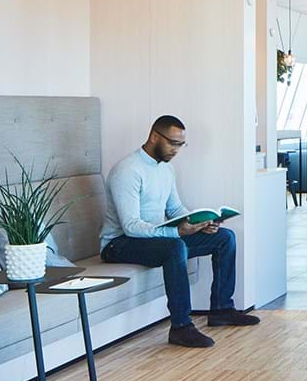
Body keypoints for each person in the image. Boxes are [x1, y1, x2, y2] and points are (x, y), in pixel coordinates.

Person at [99, 115, 260, 349]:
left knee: (224, 238)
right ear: (155, 136)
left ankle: (222, 309)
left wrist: (200, 224)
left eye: (180, 144)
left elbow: (174, 208)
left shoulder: (166, 169)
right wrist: (177, 233)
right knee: (175, 246)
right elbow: (131, 226)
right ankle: (181, 327)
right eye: (173, 143)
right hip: (119, 244)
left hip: (151, 238)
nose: (176, 150)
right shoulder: (128, 170)